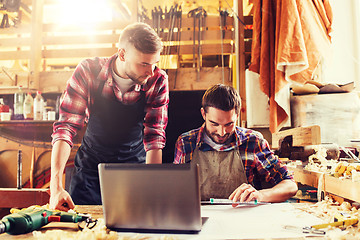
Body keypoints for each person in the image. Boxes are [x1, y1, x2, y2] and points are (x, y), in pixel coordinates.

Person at [50, 22, 169, 210]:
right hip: (90, 172)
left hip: (134, 172)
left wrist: (151, 187)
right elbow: (66, 128)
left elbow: (154, 136)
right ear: (122, 54)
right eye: (144, 63)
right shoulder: (88, 71)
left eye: (155, 64)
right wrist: (56, 187)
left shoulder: (158, 80)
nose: (151, 71)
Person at [174, 84, 297, 204]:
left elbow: (290, 185)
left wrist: (260, 195)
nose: (222, 133)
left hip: (242, 217)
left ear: (237, 116)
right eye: (214, 124)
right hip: (199, 218)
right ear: (203, 114)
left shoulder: (253, 141)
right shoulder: (186, 143)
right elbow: (175, 190)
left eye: (229, 124)